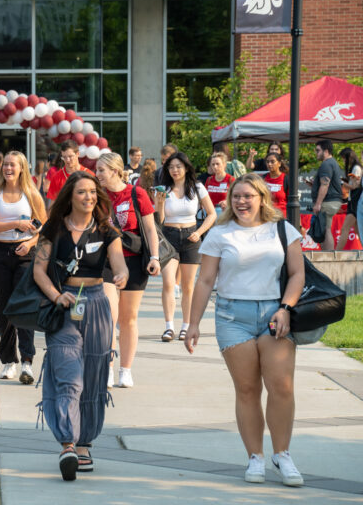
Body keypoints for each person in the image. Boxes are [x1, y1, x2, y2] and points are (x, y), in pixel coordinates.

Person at [185, 173, 306, 487]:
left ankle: (282, 454)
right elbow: (206, 281)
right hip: (231, 316)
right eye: (236, 196)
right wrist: (193, 324)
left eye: (248, 196)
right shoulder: (219, 234)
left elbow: (297, 275)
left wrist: (286, 308)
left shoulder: (283, 229)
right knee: (248, 389)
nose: (241, 202)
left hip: (275, 314)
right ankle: (256, 457)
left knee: (282, 387)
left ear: (262, 198)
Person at [33, 171, 127, 481]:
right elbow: (39, 271)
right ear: (69, 197)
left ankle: (85, 442)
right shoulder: (53, 230)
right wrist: (57, 296)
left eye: (92, 193)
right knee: (68, 376)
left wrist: (123, 275)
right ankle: (68, 443)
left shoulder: (107, 232)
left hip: (97, 304)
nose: (88, 197)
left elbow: (119, 263)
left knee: (93, 375)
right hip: (63, 308)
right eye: (81, 192)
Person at [95, 153, 160, 389]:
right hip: (106, 261)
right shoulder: (97, 196)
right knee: (109, 317)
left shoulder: (136, 193)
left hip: (134, 260)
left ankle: (126, 369)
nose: (97, 174)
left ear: (114, 170)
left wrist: (154, 257)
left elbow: (151, 229)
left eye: (101, 170)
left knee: (128, 318)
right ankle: (108, 369)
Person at [0, 151, 47, 385]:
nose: (8, 168)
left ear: (22, 168)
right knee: (3, 310)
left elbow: (42, 226)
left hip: (25, 255)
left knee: (24, 308)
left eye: (13, 165)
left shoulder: (31, 194)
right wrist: (16, 223)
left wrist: (30, 242)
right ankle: (8, 360)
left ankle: (27, 361)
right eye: (5, 165)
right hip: (1, 253)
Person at [155, 152, 216, 342]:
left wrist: (199, 232)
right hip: (169, 237)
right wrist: (159, 202)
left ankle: (185, 325)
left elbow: (212, 214)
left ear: (186, 168)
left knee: (188, 286)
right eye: (171, 167)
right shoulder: (163, 189)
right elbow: (160, 221)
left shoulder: (197, 187)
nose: (175, 170)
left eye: (178, 166)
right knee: (168, 282)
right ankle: (169, 326)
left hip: (191, 237)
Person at [310, 139, 344, 250]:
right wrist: (313, 185)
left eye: (318, 150)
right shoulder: (332, 162)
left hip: (328, 202)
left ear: (326, 151)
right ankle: (327, 255)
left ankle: (328, 256)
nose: (316, 153)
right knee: (324, 228)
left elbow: (325, 184)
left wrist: (318, 203)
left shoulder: (327, 164)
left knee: (325, 229)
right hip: (331, 200)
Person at [337, 148, 362, 250]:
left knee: (345, 229)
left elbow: (354, 186)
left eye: (343, 159)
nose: (343, 161)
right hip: (354, 202)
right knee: (358, 231)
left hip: (355, 203)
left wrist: (342, 183)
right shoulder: (356, 168)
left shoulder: (356, 168)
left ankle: (336, 253)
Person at [263, 150, 289, 217]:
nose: (269, 164)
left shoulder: (286, 179)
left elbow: (293, 202)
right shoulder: (262, 179)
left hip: (282, 217)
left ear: (279, 163)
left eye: (272, 161)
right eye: (267, 162)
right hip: (266, 217)